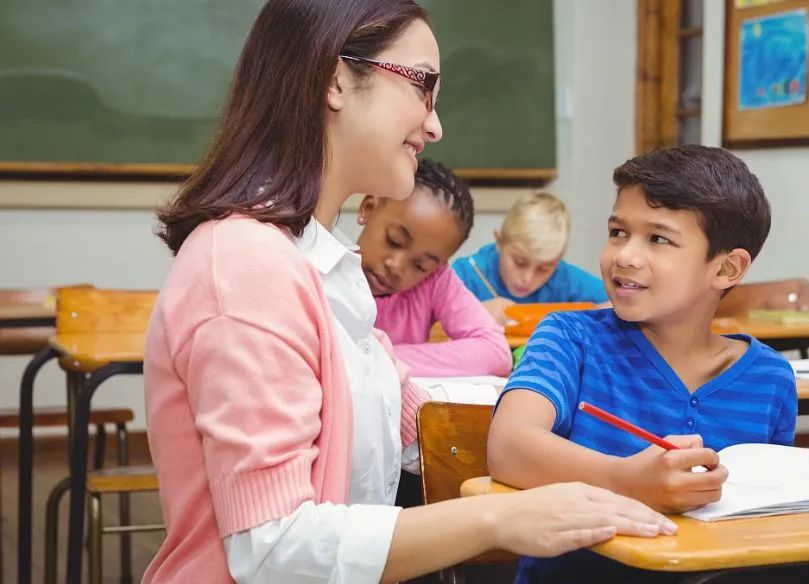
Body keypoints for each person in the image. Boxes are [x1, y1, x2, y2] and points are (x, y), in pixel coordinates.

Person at [143, 1, 675, 581]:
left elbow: (424, 430)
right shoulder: (246, 265)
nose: (435, 124)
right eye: (423, 86)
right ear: (337, 80)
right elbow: (275, 549)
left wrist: (615, 468)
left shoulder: (323, 263)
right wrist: (498, 519)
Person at [488, 145, 798, 583]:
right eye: (618, 232)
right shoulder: (570, 338)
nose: (625, 256)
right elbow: (508, 446)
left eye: (658, 238)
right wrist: (626, 480)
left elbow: (769, 514)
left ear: (727, 268)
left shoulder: (770, 379)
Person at [357, 158, 511, 376]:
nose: (396, 267)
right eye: (394, 240)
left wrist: (378, 358)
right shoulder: (319, 272)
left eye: (421, 265)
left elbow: (496, 352)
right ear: (368, 208)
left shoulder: (434, 281)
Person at [452, 192, 609, 325]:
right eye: (519, 263)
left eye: (544, 269)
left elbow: (619, 303)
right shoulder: (467, 273)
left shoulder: (563, 277)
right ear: (499, 241)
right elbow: (431, 320)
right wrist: (472, 313)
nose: (528, 279)